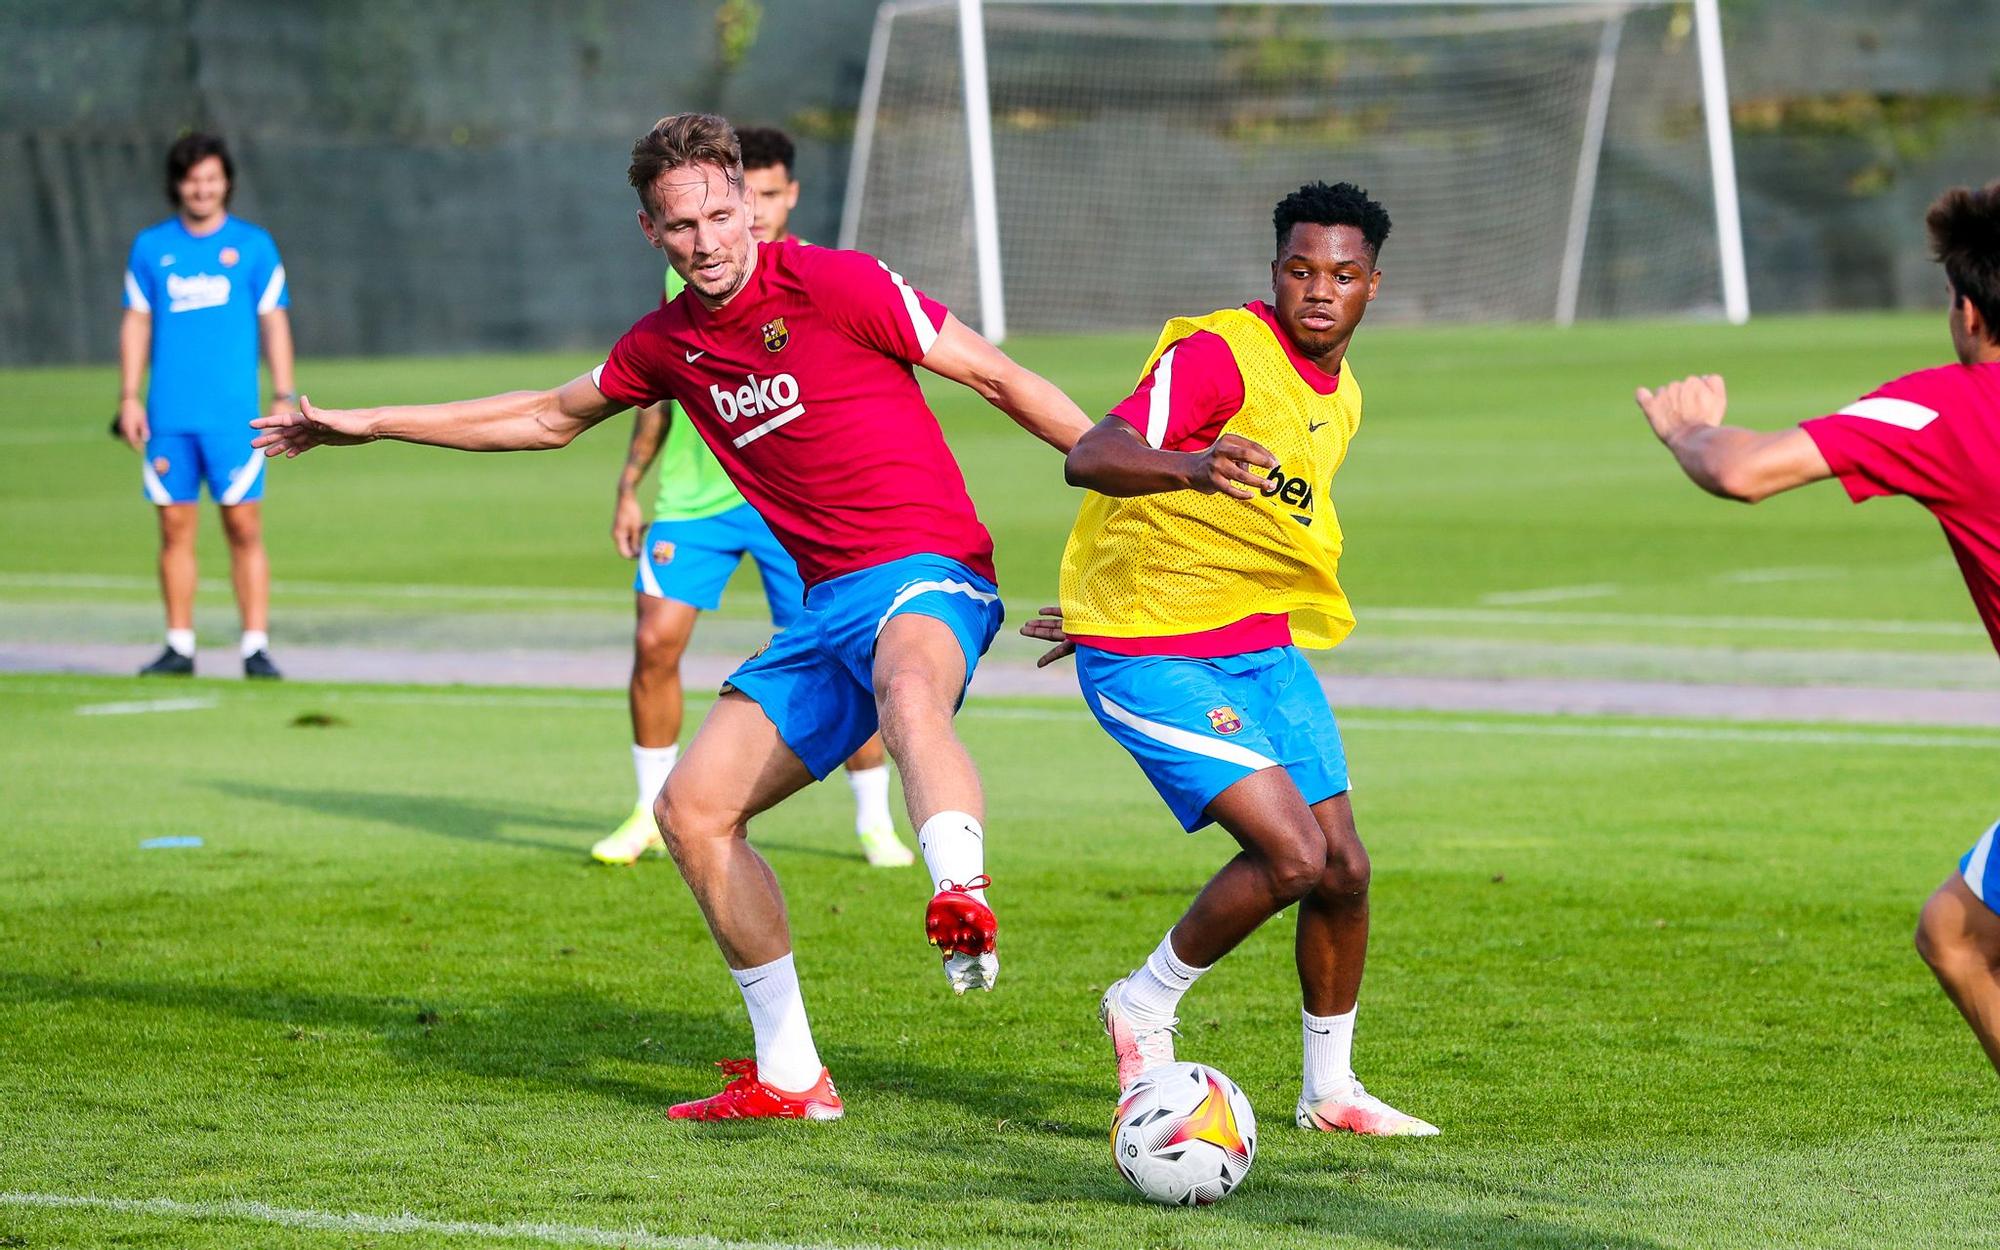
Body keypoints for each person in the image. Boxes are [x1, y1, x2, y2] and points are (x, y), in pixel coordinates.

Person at [252, 113, 1093, 1119]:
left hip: (930, 569)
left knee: (908, 684)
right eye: (679, 225)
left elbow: (997, 375)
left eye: (718, 214)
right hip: (826, 611)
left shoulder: (837, 282)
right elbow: (544, 416)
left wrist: (1120, 473)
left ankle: (960, 888)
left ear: (749, 201)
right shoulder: (667, 343)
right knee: (692, 813)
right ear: (649, 231)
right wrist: (373, 423)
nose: (705, 241)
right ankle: (790, 1073)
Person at [1022, 181, 1438, 1136]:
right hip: (1154, 658)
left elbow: (1250, 533)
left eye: (1341, 274)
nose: (1318, 290)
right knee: (1291, 853)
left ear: (1373, 285)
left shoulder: (1346, 397)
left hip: (1254, 641)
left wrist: (1109, 584)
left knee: (1343, 869)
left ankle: (1330, 1093)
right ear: (1275, 274)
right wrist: (1190, 467)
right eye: (1300, 270)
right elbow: (1094, 454)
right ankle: (1144, 1003)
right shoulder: (1219, 355)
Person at [1636, 180, 2000, 1076]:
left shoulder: (1947, 406)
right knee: (1954, 928)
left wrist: (1690, 431)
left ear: (1966, 309)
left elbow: (1749, 471)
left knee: (1956, 938)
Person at [598, 126, 912, 870]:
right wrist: (630, 485)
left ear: (772, 198)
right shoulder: (687, 279)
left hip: (789, 506)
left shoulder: (812, 280)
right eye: (684, 222)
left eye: (763, 196)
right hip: (692, 499)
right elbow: (651, 387)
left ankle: (875, 819)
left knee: (847, 657)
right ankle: (648, 809)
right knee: (653, 643)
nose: (711, 234)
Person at [118, 132, 294, 679]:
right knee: (174, 528)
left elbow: (273, 318)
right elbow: (137, 320)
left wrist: (284, 393)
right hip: (170, 415)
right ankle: (179, 645)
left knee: (243, 527)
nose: (202, 188)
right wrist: (128, 396)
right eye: (193, 179)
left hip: (233, 416)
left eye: (212, 178)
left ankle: (255, 646)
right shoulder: (151, 249)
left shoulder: (254, 246)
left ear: (227, 183)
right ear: (178, 184)